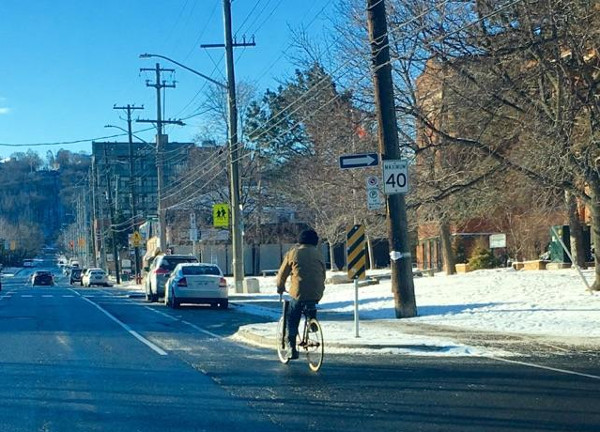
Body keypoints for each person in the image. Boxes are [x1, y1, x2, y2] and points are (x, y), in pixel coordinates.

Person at [276, 229, 326, 359]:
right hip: (317, 292)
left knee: (292, 316)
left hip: (298, 292)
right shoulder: (319, 254)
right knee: (310, 302)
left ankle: (291, 347)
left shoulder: (293, 253)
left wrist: (280, 287)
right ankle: (312, 320)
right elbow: (323, 274)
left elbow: (282, 274)